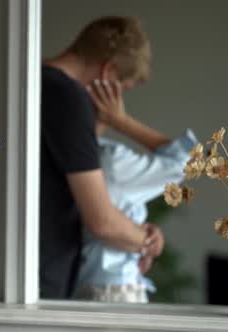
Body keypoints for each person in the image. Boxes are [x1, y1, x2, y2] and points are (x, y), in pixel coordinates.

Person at [39, 16, 165, 299]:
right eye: (124, 88)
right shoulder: (69, 97)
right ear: (108, 74)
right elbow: (102, 222)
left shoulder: (34, 81)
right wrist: (148, 242)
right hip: (46, 278)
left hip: (28, 269)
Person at [73, 78, 198, 303]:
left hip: (76, 286)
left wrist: (144, 238)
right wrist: (121, 121)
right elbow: (189, 161)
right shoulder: (111, 162)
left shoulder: (57, 159)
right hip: (116, 290)